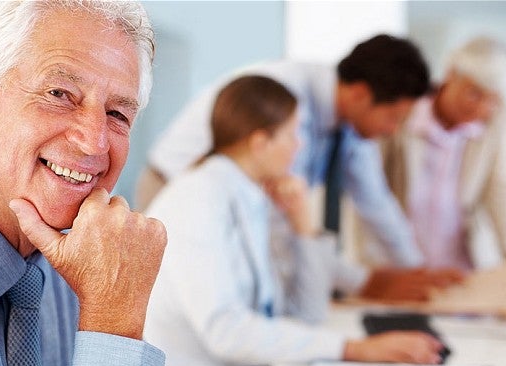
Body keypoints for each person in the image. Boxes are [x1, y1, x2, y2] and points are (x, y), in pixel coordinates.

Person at [0, 1, 167, 366]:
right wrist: (114, 326)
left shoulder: (76, 253)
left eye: (117, 115)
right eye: (59, 93)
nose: (94, 143)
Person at [144, 75, 449, 366]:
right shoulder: (199, 200)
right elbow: (226, 332)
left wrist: (304, 227)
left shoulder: (248, 195)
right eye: (291, 134)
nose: (299, 145)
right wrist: (354, 349)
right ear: (260, 143)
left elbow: (306, 316)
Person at [136, 34, 430, 267]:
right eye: (394, 118)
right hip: (171, 186)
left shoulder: (352, 123)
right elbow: (279, 212)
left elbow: (376, 202)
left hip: (237, 207)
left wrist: (415, 270)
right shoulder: (288, 97)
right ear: (361, 94)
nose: (393, 131)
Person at [350, 37, 506, 270]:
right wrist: (368, 261)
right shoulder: (405, 110)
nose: (481, 107)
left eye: (492, 99)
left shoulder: (495, 120)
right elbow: (370, 187)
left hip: (460, 264)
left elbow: (500, 188)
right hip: (397, 261)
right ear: (451, 75)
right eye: (474, 93)